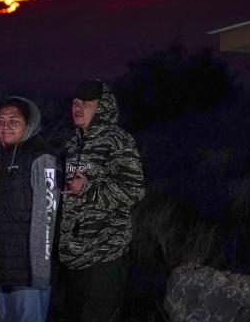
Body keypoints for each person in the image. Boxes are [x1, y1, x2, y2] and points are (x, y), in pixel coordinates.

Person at [58, 79, 145, 322]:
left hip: (105, 255)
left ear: (103, 106)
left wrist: (89, 188)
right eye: (75, 102)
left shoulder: (117, 140)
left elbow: (134, 190)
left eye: (86, 102)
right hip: (74, 256)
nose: (78, 106)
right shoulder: (73, 143)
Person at [0, 96, 59, 322]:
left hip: (27, 269)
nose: (6, 126)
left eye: (14, 121)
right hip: (1, 265)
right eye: (0, 121)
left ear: (29, 125)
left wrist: (40, 270)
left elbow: (47, 215)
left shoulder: (41, 157)